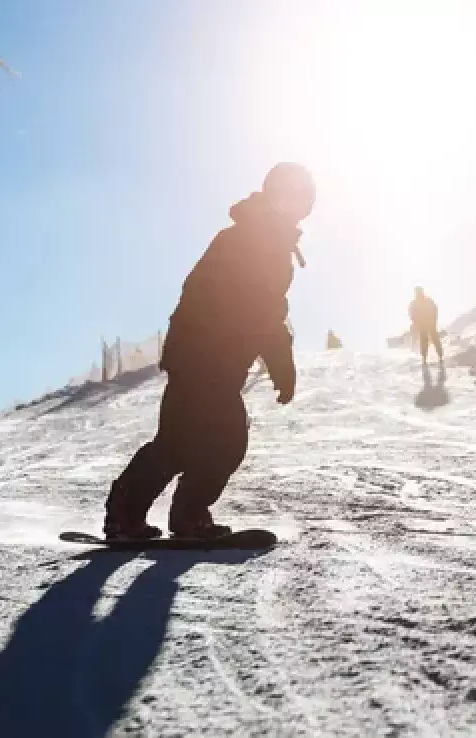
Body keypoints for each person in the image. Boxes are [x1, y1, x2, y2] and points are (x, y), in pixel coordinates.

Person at [102, 162, 316, 540]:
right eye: (285, 196)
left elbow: (266, 312)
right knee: (227, 438)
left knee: (177, 441)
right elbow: (258, 309)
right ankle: (186, 515)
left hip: (205, 356)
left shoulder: (267, 243)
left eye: (300, 201)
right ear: (270, 196)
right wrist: (280, 364)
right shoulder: (249, 238)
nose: (292, 206)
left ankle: (126, 514)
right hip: (206, 354)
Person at [408, 286, 444, 367]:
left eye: (419, 291)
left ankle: (439, 356)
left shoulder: (426, 300)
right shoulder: (416, 302)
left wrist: (434, 321)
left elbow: (435, 309)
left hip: (429, 323)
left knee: (434, 340)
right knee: (425, 341)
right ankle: (425, 358)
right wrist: (416, 323)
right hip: (424, 325)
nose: (419, 293)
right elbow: (411, 313)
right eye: (418, 291)